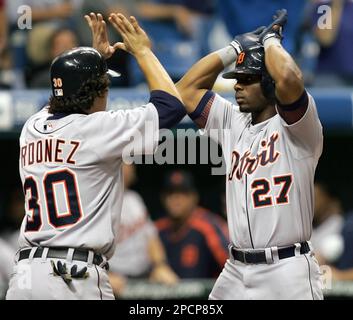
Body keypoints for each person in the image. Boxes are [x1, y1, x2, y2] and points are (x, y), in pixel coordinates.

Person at [6, 12, 186, 300]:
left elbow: (59, 100)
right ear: (95, 92)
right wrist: (143, 51)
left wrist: (93, 60)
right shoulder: (97, 129)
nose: (107, 92)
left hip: (26, 278)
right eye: (105, 85)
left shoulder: (32, 128)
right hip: (72, 277)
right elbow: (171, 106)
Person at [176, 9, 324, 299]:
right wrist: (233, 50)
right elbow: (184, 91)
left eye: (247, 79)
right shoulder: (232, 121)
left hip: (286, 268)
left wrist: (270, 41)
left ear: (269, 84)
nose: (237, 86)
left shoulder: (297, 127)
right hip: (236, 268)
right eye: (237, 79)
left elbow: (291, 78)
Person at [108, 164, 178, 296]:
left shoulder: (134, 199)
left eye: (129, 164)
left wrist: (160, 266)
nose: (129, 167)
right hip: (113, 280)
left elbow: (151, 238)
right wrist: (104, 275)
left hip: (142, 276)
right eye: (122, 162)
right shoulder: (101, 201)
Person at [156, 170, 229, 278]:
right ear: (163, 198)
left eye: (182, 193)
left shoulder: (208, 226)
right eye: (170, 193)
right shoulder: (157, 229)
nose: (176, 199)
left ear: (194, 197)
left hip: (208, 294)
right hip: (170, 293)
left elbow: (231, 264)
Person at [311, 181, 344, 265]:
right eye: (309, 199)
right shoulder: (309, 227)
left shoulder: (338, 223)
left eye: (315, 198)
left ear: (327, 198)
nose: (312, 203)